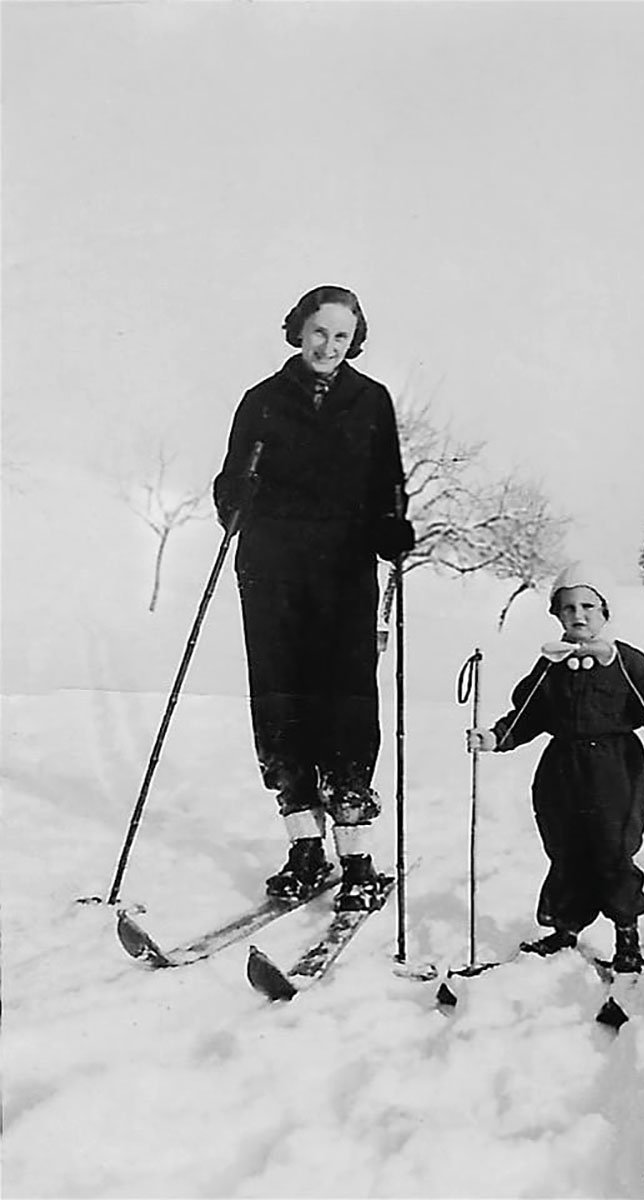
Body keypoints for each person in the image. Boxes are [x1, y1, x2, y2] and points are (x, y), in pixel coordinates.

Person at [213, 285, 414, 912]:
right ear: (298, 330)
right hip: (272, 566)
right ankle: (305, 846)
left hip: (344, 567)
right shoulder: (262, 401)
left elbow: (389, 481)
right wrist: (234, 498)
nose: (329, 346)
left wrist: (392, 526)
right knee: (281, 699)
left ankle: (356, 854)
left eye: (342, 336)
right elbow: (229, 480)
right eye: (319, 332)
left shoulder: (371, 401)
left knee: (347, 700)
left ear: (356, 341)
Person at [466, 562, 644, 972]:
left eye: (589, 605)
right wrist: (497, 737)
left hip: (615, 769)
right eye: (569, 607)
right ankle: (565, 929)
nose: (579, 615)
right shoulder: (551, 664)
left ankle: (628, 938)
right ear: (556, 613)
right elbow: (528, 714)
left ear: (606, 612)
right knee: (566, 849)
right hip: (561, 769)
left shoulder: (626, 661)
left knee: (613, 849)